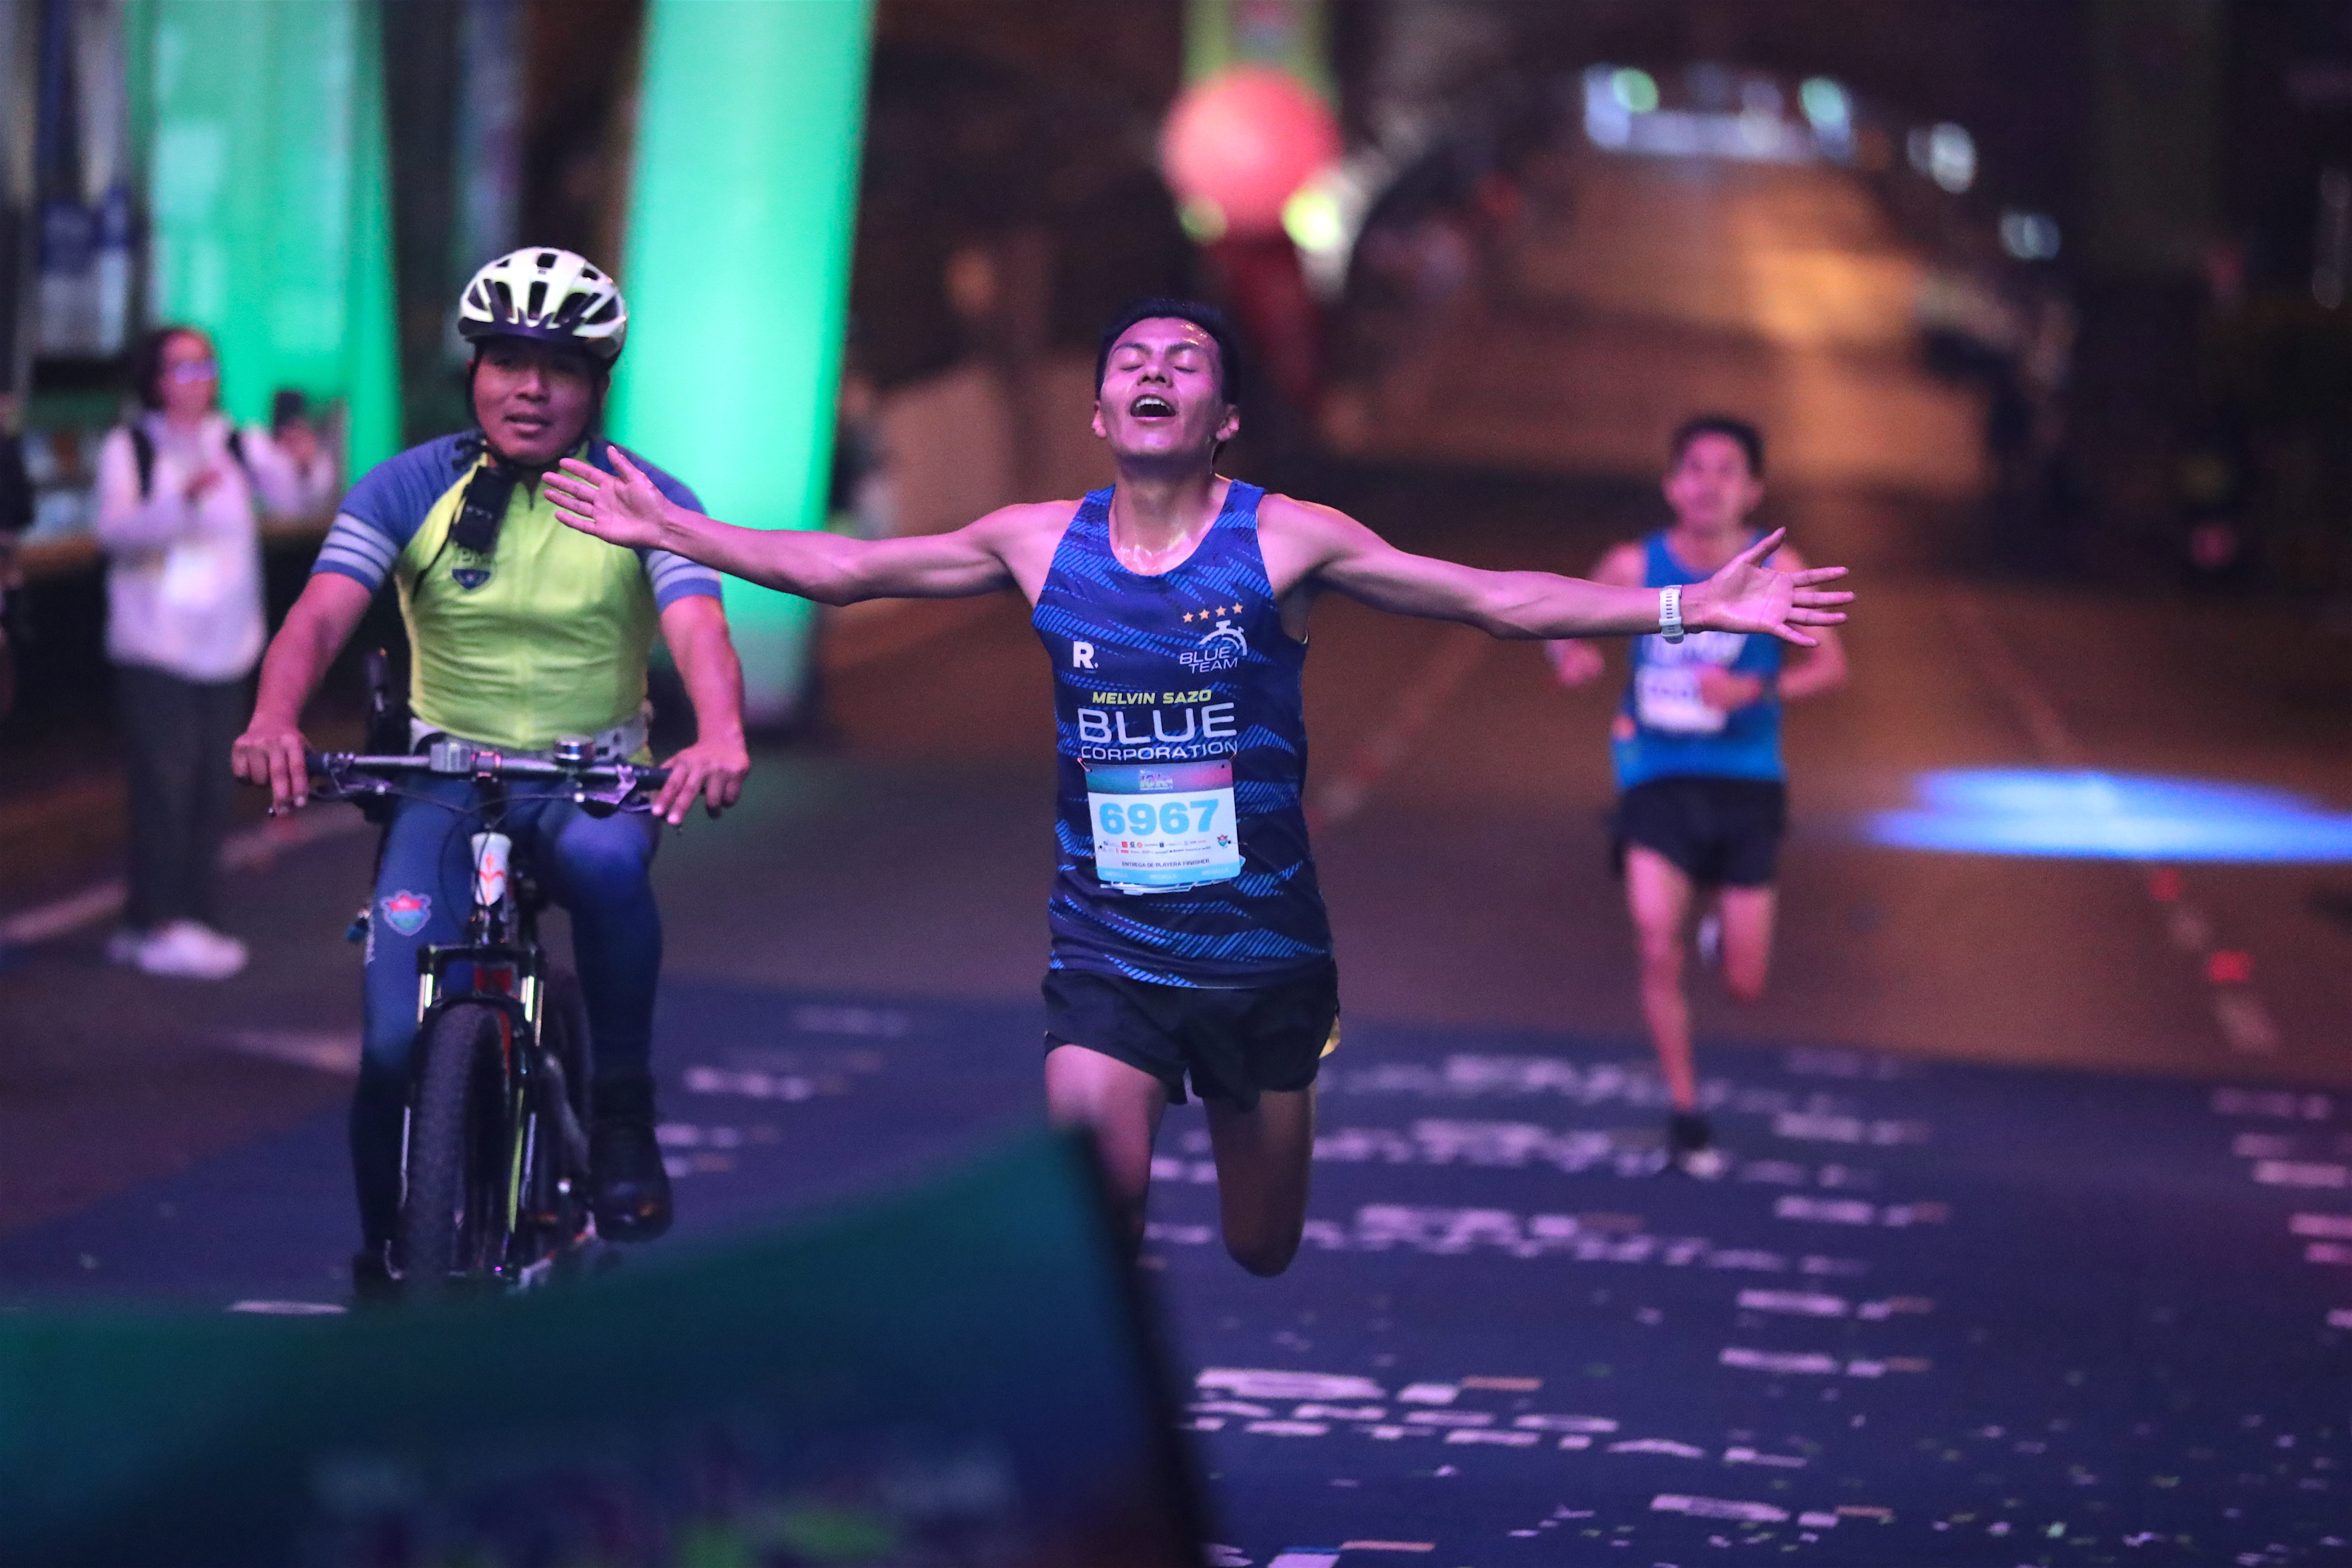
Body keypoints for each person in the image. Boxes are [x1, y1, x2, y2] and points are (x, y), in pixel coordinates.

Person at [545, 300, 1850, 1276]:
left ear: (1222, 417)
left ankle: (1275, 1105)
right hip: (1106, 945)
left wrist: (1686, 606)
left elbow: (1491, 601)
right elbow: (847, 567)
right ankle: (1106, 1454)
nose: (1155, 373)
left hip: (1263, 957)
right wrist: (682, 534)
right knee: (1092, 1215)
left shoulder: (1285, 537)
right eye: (1133, 363)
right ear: (1103, 415)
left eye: (1186, 363)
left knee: (1261, 1245)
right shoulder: (1036, 539)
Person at [231, 247, 750, 1289]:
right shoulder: (410, 484)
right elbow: (319, 617)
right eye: (507, 360)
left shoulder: (644, 496)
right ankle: (390, 1255)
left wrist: (720, 731)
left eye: (559, 366)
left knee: (607, 871)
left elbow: (699, 629)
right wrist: (274, 716)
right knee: (388, 1051)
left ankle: (620, 1117)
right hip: (440, 781)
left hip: (590, 780)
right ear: (474, 373)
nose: (530, 387)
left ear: (598, 385)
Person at [1546, 416, 1847, 1177]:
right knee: (1656, 941)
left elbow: (1830, 668)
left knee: (1745, 984)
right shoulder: (1634, 562)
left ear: (1754, 490)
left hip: (1747, 782)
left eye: (1728, 471)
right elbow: (1555, 615)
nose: (1709, 484)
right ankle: (1687, 1110)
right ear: (1672, 484)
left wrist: (1752, 686)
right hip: (1656, 776)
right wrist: (1570, 654)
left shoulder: (1781, 568)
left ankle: (1721, 936)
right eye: (1696, 469)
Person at [95, 327, 338, 979]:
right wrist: (182, 500)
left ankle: (189, 917)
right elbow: (114, 534)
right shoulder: (132, 446)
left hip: (227, 647)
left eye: (206, 364)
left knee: (208, 790)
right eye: (181, 367)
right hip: (154, 647)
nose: (198, 378)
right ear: (154, 378)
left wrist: (306, 459)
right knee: (164, 791)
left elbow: (297, 497)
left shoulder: (238, 439)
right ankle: (156, 923)